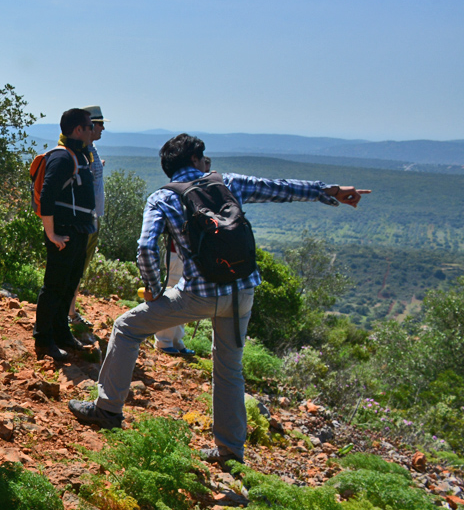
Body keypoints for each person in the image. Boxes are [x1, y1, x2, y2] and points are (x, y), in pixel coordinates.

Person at [69, 133, 369, 471]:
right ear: (196, 160)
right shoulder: (228, 183)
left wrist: (153, 288)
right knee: (229, 368)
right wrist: (330, 192)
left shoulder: (162, 198)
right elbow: (280, 188)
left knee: (126, 327)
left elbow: (144, 247)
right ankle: (229, 451)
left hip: (196, 296)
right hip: (241, 292)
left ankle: (107, 409)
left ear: (169, 167)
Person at [33, 109, 98, 363]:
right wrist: (51, 233)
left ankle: (61, 333)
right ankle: (43, 339)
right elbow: (47, 195)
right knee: (54, 286)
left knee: (69, 284)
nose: (94, 130)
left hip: (79, 232)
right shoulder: (62, 156)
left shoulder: (81, 155)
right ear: (78, 130)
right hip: (63, 233)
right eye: (90, 126)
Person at [68, 105, 107, 336]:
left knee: (80, 267)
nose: (102, 128)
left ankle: (70, 311)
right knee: (76, 267)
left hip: (92, 218)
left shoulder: (91, 151)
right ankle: (68, 313)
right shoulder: (81, 152)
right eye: (98, 124)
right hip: (84, 221)